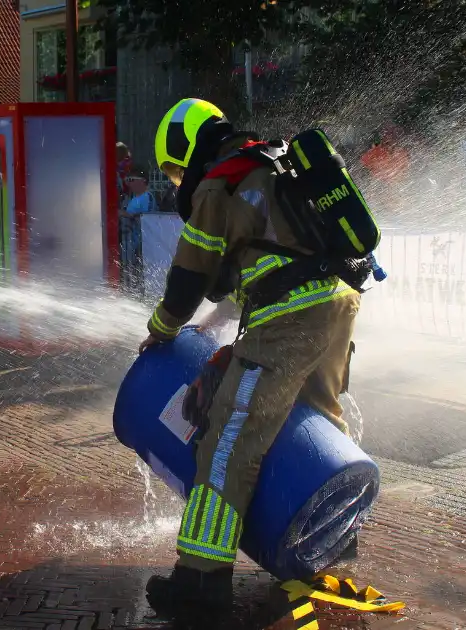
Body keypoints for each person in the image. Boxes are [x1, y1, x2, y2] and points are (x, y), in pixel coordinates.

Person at [140, 98, 369, 624]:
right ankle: (322, 549)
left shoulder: (221, 183)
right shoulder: (272, 161)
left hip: (291, 316)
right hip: (337, 300)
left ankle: (200, 583)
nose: (178, 182)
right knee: (313, 424)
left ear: (187, 145)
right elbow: (237, 277)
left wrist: (161, 329)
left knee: (227, 441)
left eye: (176, 170)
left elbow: (189, 278)